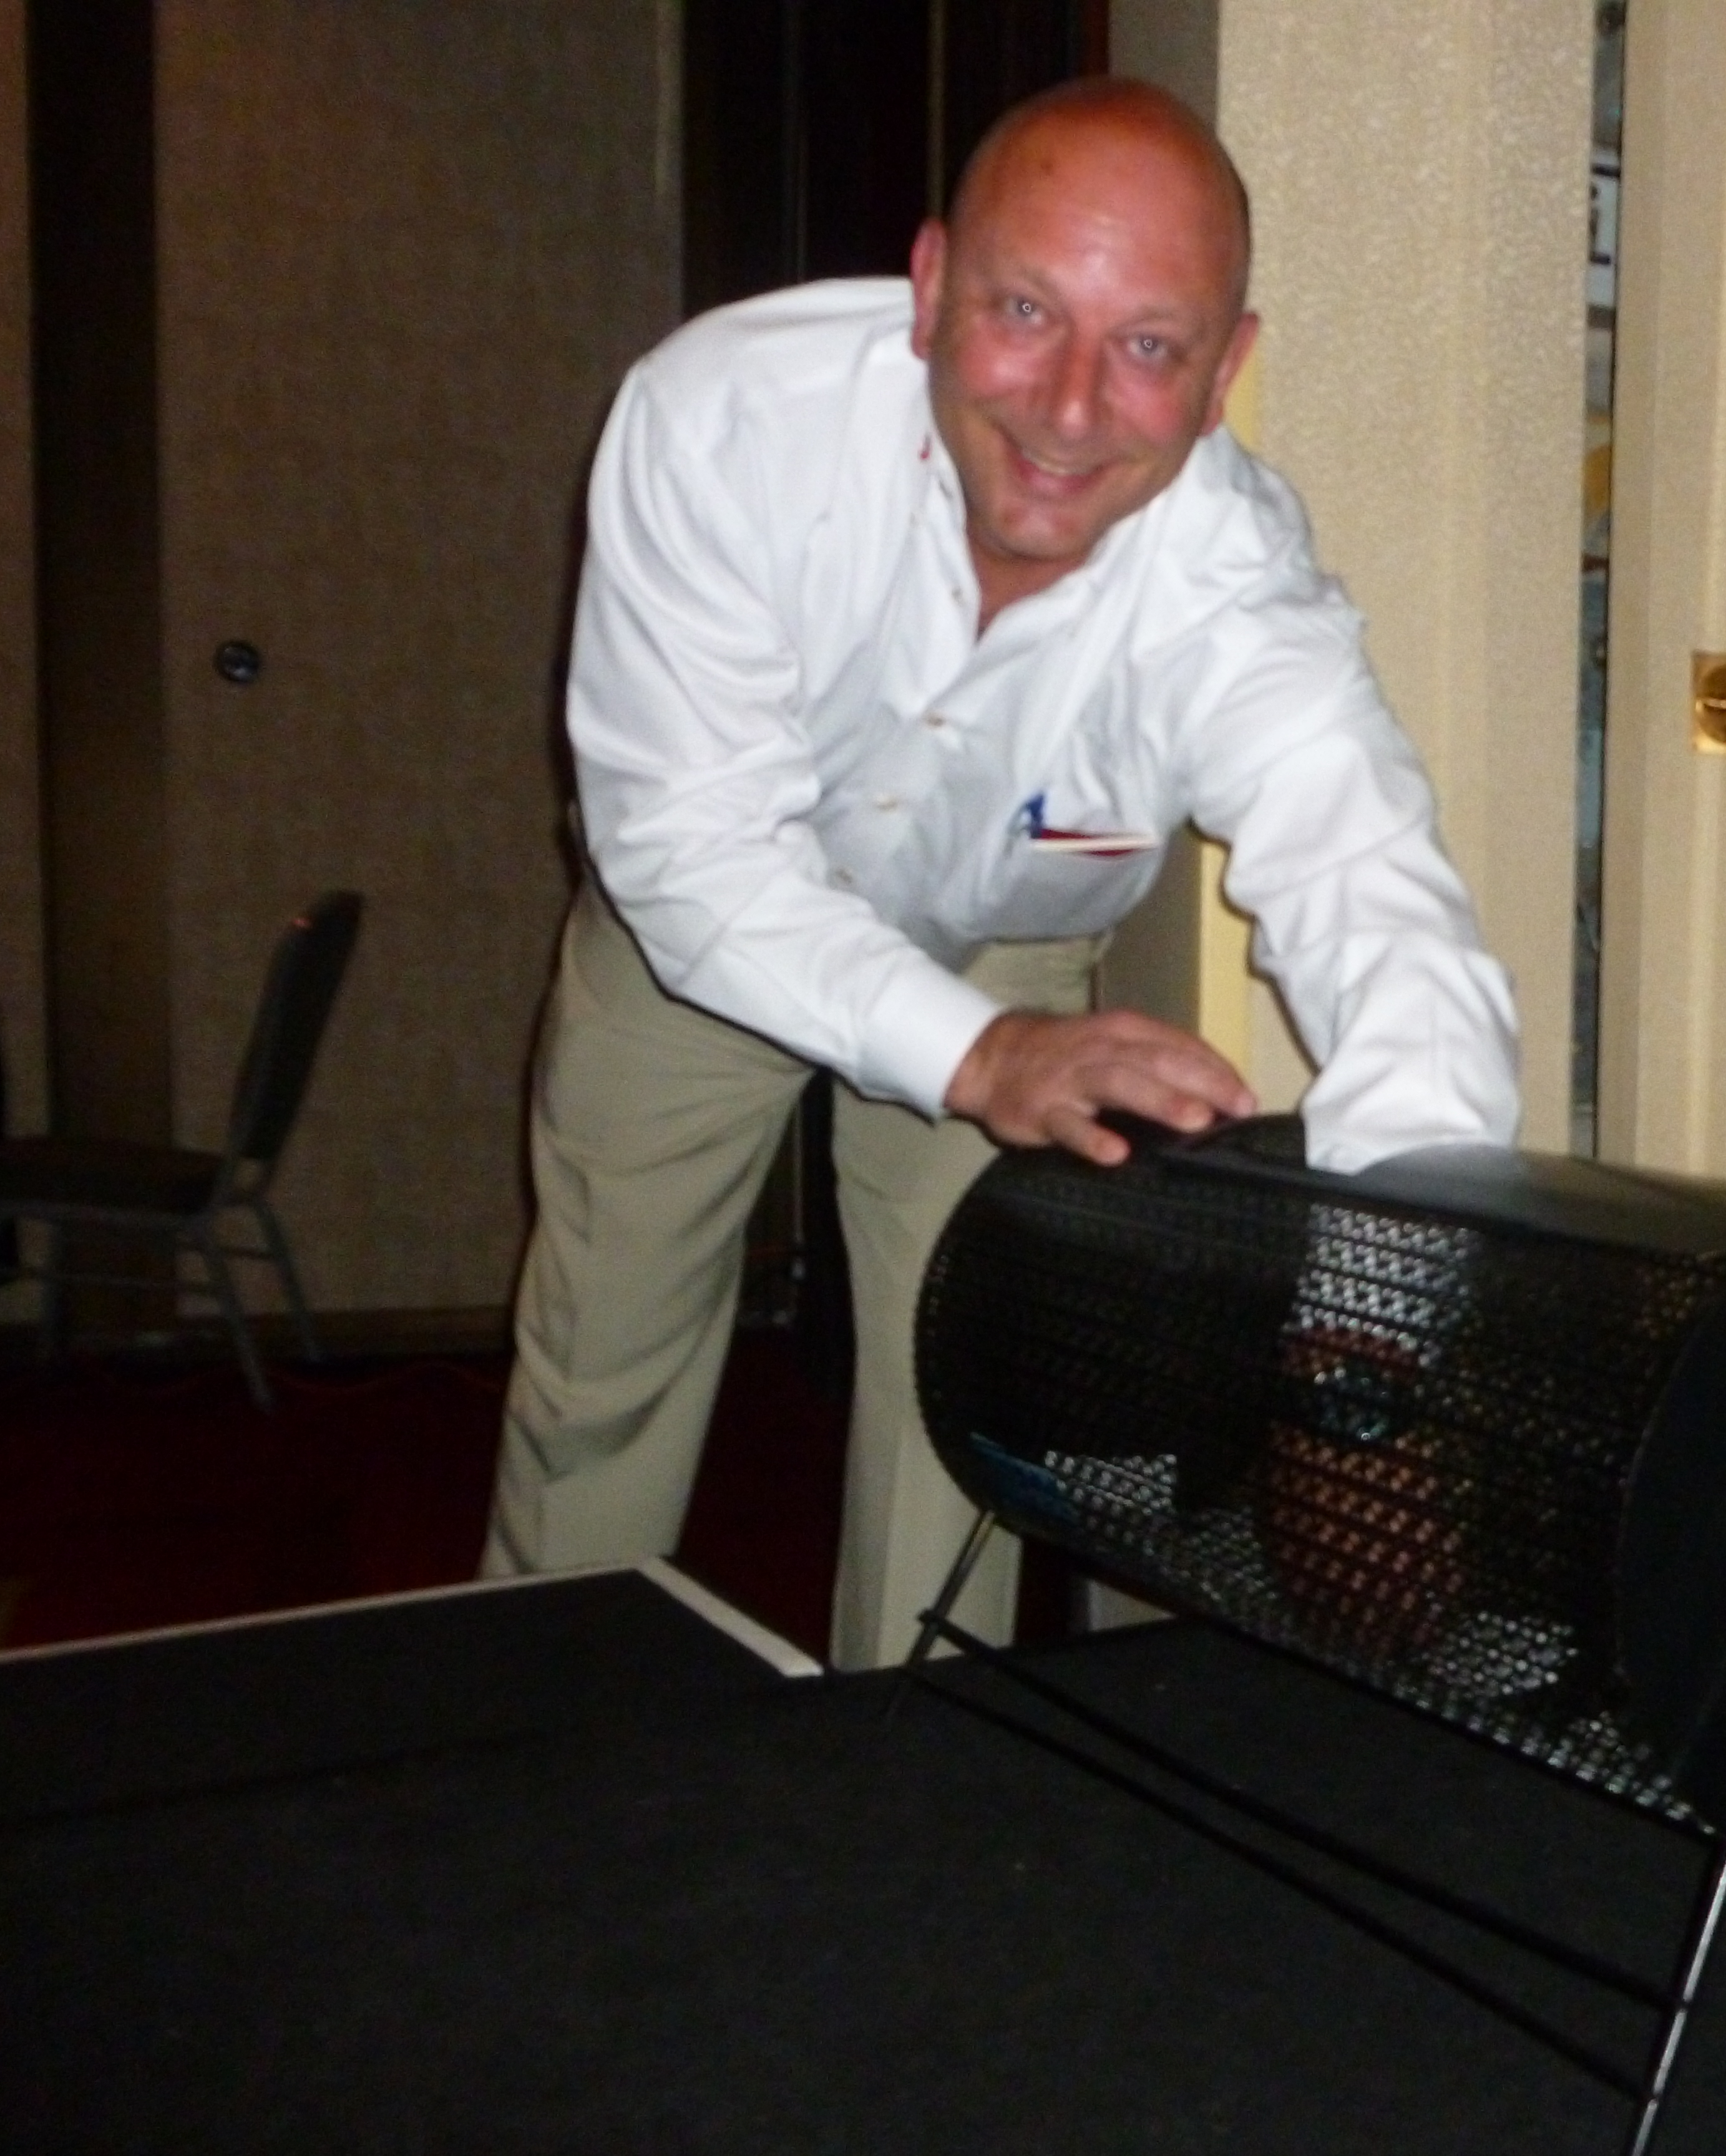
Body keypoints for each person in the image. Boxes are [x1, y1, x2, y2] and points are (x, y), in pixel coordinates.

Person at [480, 78, 1522, 1667]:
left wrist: (1376, 1329)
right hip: (701, 926)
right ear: (928, 286)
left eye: (1150, 346)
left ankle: (914, 1761)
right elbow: (695, 854)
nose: (1070, 408)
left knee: (958, 1391)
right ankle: (534, 1735)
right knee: (598, 1382)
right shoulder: (724, 423)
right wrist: (979, 1059)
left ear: (1226, 373)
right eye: (1025, 312)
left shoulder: (1237, 588)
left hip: (1009, 946)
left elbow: (1381, 902)